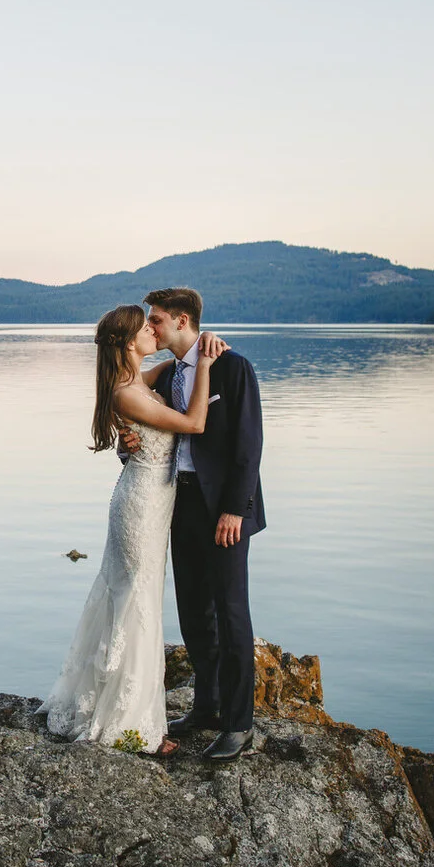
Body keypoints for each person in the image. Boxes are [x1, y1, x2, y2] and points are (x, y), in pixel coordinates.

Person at [40, 304, 228, 757]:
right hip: (140, 506)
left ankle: (126, 708)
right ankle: (133, 724)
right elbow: (194, 424)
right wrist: (203, 364)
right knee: (136, 603)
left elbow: (160, 371)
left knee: (131, 600)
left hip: (152, 500)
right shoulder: (126, 392)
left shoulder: (132, 382)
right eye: (145, 328)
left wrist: (184, 359)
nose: (152, 330)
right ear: (128, 343)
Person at [125, 286, 266, 761]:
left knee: (230, 613)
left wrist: (235, 510)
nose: (152, 328)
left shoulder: (232, 367)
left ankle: (239, 723)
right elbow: (150, 434)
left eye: (158, 320)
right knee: (192, 612)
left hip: (223, 510)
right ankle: (205, 705)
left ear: (183, 320)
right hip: (177, 504)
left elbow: (249, 447)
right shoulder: (166, 378)